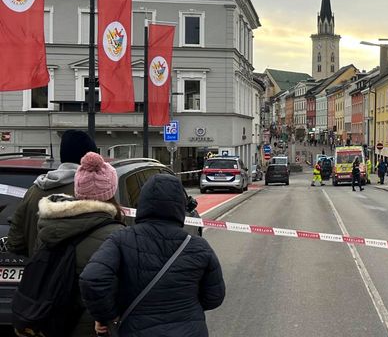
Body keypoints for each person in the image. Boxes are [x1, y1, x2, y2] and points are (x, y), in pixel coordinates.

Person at [80, 174, 225, 337]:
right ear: (180, 206)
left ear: (142, 203)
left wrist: (108, 316)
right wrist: (186, 306)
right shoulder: (198, 247)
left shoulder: (120, 239)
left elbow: (92, 278)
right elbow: (215, 297)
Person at [32, 152, 125, 336]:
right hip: (92, 324)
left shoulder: (47, 224)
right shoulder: (116, 235)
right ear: (111, 192)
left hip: (51, 317)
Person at [8, 129, 97, 257]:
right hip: (75, 274)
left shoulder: (33, 190)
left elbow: (15, 241)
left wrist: (35, 254)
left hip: (38, 272)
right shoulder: (91, 192)